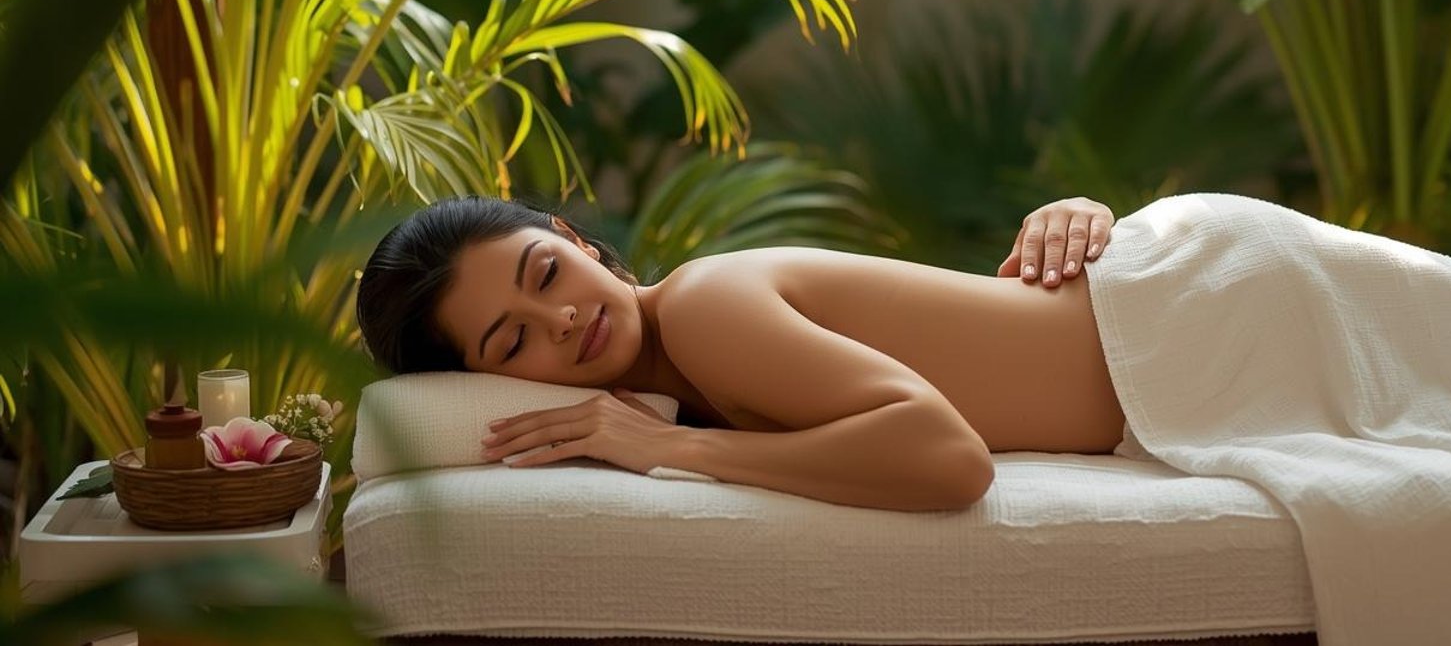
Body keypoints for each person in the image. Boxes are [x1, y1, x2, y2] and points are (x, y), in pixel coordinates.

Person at [354, 193, 1126, 510]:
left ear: (572, 238)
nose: (559, 316)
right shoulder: (675, 382)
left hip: (1165, 318)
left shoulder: (702, 307)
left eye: (548, 271)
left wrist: (676, 449)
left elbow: (953, 460)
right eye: (512, 339)